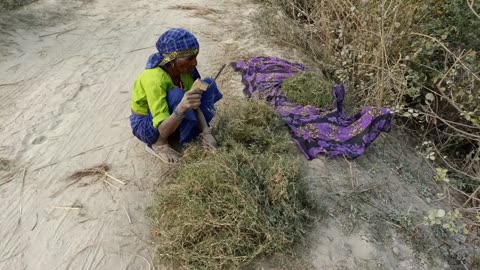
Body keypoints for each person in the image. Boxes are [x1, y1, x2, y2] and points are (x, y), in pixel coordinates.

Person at [130, 28, 222, 164]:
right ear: (172, 59)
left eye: (195, 57)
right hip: (147, 123)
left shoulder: (186, 70)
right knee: (176, 95)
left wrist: (206, 133)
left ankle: (186, 134)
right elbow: (162, 122)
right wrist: (182, 106)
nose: (195, 63)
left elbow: (195, 103)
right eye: (190, 58)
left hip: (172, 115)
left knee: (207, 85)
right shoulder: (153, 78)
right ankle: (159, 144)